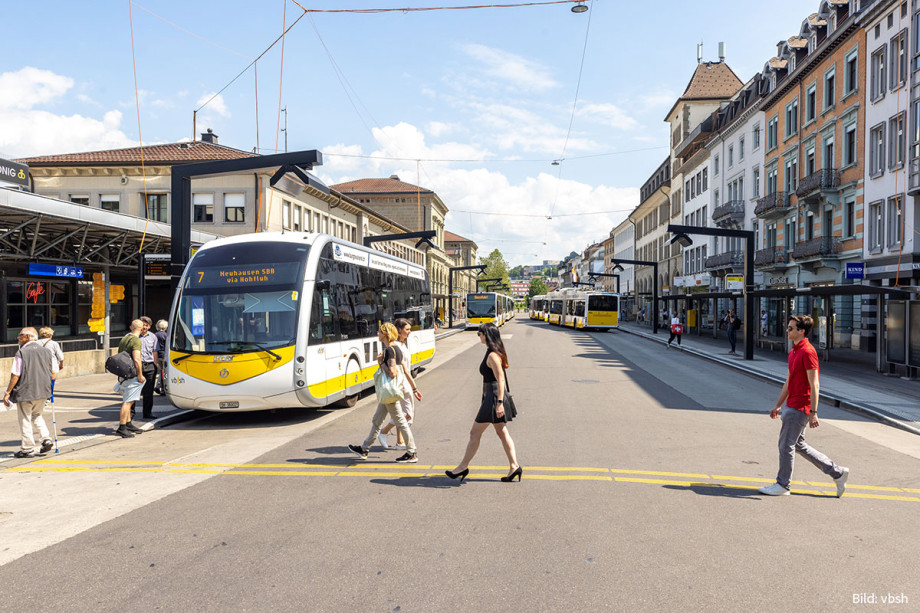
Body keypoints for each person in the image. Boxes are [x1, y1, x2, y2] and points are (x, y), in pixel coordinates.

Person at [759, 315, 849, 497]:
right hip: (791, 404)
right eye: (788, 327)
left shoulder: (808, 352)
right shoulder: (793, 351)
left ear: (801, 331)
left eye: (791, 328)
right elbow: (789, 380)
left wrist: (813, 412)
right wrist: (778, 405)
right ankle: (837, 472)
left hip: (800, 406)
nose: (787, 330)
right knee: (798, 445)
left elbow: (814, 383)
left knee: (785, 445)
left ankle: (783, 484)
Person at [446, 322, 521, 483]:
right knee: (502, 432)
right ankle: (514, 466)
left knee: (475, 432)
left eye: (480, 334)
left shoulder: (493, 355)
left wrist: (499, 402)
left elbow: (500, 379)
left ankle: (462, 467)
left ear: (487, 336)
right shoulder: (493, 352)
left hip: (493, 397)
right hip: (491, 396)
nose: (478, 336)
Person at [348, 323, 418, 463]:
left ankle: (412, 452)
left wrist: (381, 363)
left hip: (389, 392)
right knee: (377, 420)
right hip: (389, 393)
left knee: (401, 422)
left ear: (385, 334)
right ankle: (364, 449)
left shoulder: (390, 350)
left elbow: (392, 372)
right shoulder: (395, 348)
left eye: (380, 331)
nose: (377, 333)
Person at [4, 328, 56, 458]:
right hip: (43, 391)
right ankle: (46, 439)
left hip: (25, 391)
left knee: (25, 419)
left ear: (27, 337)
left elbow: (15, 374)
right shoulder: (46, 352)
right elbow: (53, 372)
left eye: (20, 336)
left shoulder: (22, 352)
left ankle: (27, 448)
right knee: (37, 415)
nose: (18, 339)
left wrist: (8, 392)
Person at [378, 318, 423, 450]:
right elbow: (402, 369)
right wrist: (414, 388)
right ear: (399, 330)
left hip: (405, 383)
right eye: (407, 329)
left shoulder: (403, 345)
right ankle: (385, 431)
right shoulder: (396, 347)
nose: (409, 332)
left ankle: (399, 441)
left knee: (402, 413)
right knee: (407, 414)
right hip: (402, 384)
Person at [114, 319, 146, 438]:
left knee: (130, 399)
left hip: (123, 373)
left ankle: (128, 423)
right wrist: (140, 375)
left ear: (130, 327)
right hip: (132, 374)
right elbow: (137, 360)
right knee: (127, 402)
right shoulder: (136, 341)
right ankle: (122, 427)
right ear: (142, 328)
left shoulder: (125, 338)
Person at [138, 316, 158, 419]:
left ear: (149, 326)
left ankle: (147, 413)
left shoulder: (153, 337)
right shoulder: (133, 336)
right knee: (135, 391)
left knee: (149, 392)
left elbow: (155, 352)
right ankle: (130, 416)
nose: (144, 327)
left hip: (150, 366)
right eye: (143, 325)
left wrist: (155, 365)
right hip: (137, 365)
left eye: (146, 325)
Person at [38, 327, 64, 402]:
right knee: (51, 379)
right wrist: (61, 364)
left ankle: (42, 395)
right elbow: (60, 356)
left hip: (39, 364)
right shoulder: (54, 343)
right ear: (50, 335)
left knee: (40, 380)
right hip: (51, 364)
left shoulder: (36, 343)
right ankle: (49, 395)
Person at [154, 320, 168, 395]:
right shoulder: (166, 335)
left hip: (156, 355)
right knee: (164, 372)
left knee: (160, 371)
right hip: (164, 354)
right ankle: (161, 387)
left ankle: (158, 386)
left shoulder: (154, 335)